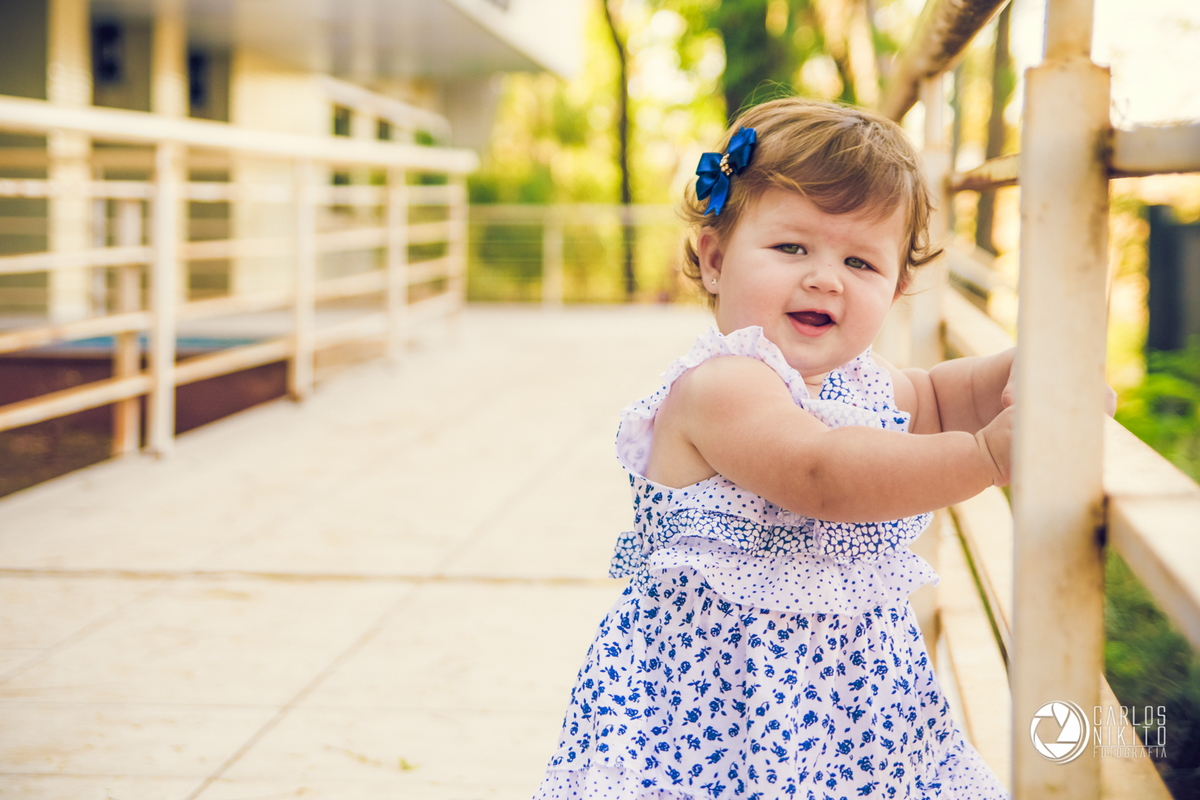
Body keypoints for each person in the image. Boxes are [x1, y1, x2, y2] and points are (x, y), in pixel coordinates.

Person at [533, 98, 1014, 799]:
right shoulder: (724, 386)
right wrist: (987, 460)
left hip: (851, 718)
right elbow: (822, 473)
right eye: (792, 248)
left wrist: (1032, 372)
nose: (825, 277)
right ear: (717, 258)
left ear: (896, 290)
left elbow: (942, 398)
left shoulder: (859, 383)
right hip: (715, 723)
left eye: (860, 261)